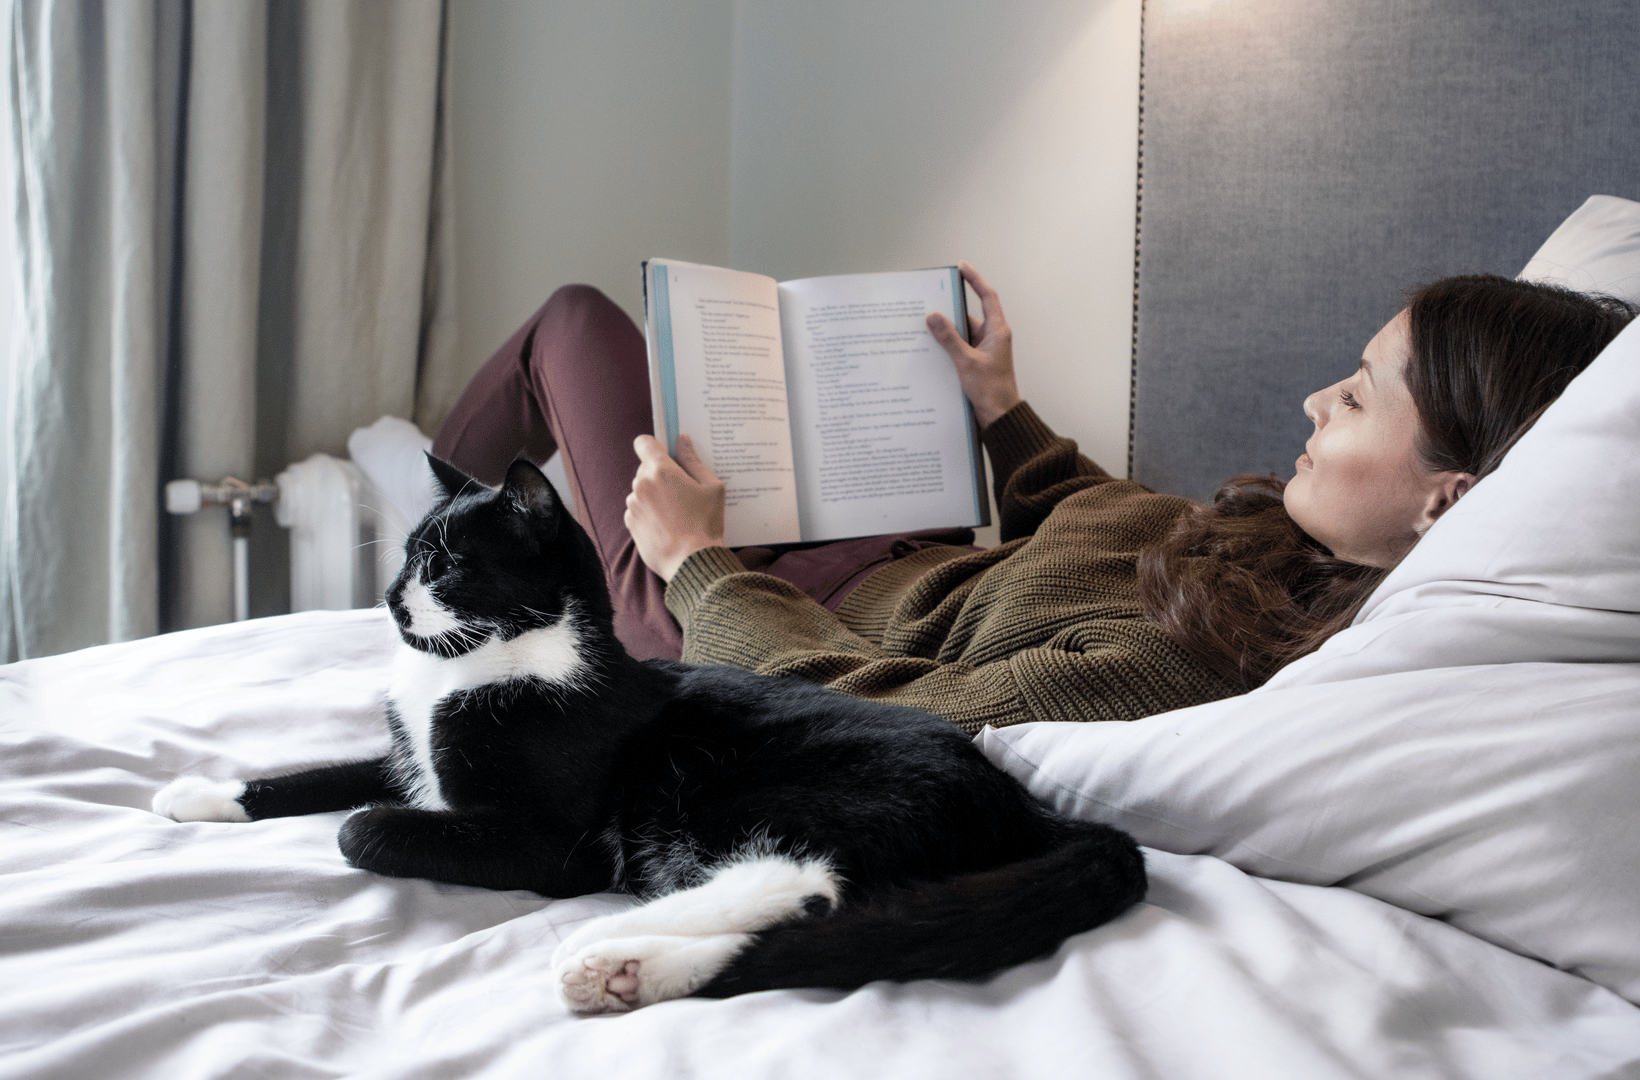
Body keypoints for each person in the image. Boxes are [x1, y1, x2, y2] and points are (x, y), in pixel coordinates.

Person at [432, 263, 1634, 734]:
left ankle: (435, 498)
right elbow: (1119, 527)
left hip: (760, 624)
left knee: (575, 325)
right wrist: (1000, 408)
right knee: (772, 357)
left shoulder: (1212, 668)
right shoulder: (1286, 544)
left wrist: (693, 563)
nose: (1317, 398)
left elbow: (893, 711)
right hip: (896, 558)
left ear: (1447, 500)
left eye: (1362, 399)